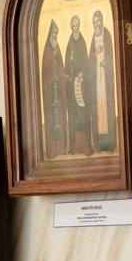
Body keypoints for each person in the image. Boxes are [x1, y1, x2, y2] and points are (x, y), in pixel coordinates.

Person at [87, 10, 116, 152]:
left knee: (107, 108)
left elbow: (112, 55)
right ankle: (99, 142)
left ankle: (110, 143)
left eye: (97, 21)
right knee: (98, 110)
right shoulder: (93, 38)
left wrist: (107, 62)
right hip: (97, 80)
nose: (96, 25)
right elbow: (90, 60)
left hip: (106, 78)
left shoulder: (107, 35)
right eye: (94, 22)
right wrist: (94, 55)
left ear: (102, 21)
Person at [40, 20, 67, 158]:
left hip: (59, 91)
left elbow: (61, 67)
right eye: (53, 33)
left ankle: (61, 148)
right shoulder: (47, 51)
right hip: (51, 93)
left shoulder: (58, 49)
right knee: (52, 119)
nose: (55, 36)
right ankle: (52, 150)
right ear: (50, 34)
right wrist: (52, 57)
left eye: (56, 33)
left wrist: (63, 76)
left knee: (60, 118)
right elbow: (46, 69)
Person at [64, 16, 90, 155]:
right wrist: (67, 74)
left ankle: (87, 147)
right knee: (72, 115)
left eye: (76, 25)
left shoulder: (82, 41)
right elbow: (67, 63)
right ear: (71, 27)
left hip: (81, 84)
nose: (75, 28)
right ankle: (72, 147)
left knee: (83, 113)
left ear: (79, 26)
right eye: (73, 26)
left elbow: (86, 60)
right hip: (71, 86)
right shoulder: (69, 43)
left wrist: (82, 73)